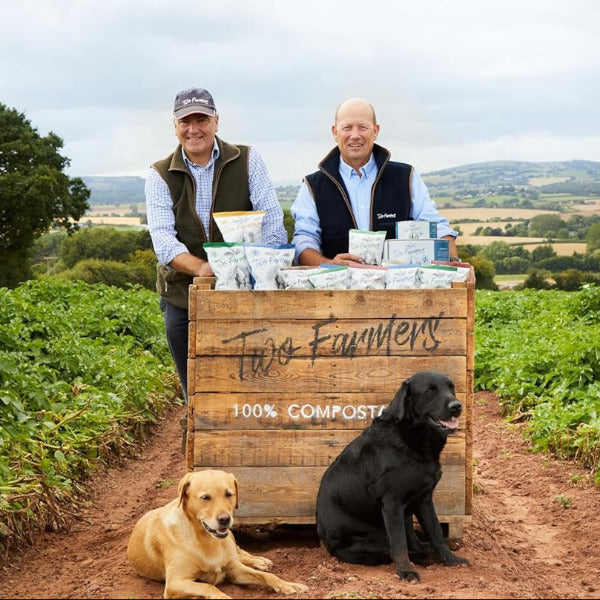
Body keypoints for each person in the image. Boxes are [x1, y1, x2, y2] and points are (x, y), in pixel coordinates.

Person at [145, 87, 287, 402]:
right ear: (175, 126)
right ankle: (196, 436)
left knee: (252, 373)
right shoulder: (159, 175)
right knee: (195, 381)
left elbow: (273, 224)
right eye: (185, 121)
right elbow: (164, 241)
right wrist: (204, 269)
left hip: (247, 291)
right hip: (184, 294)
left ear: (216, 121)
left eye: (201, 119)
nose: (193, 129)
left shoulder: (248, 159)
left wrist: (254, 270)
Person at [291, 98, 459, 265]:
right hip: (337, 289)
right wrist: (329, 264)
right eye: (347, 127)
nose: (355, 135)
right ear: (335, 132)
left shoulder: (406, 177)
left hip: (398, 290)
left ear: (375, 131)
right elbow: (303, 242)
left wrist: (452, 260)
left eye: (363, 127)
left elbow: (435, 228)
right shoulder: (312, 186)